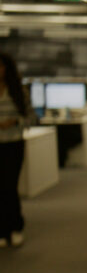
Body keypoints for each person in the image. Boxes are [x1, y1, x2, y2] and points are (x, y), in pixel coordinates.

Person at [0, 53, 32, 249]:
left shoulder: (19, 92)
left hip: (13, 143)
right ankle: (2, 230)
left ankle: (15, 227)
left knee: (9, 186)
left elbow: (31, 118)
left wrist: (15, 122)